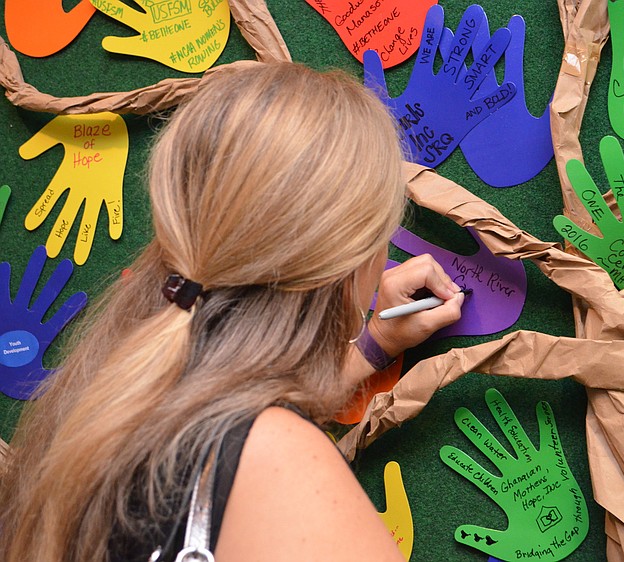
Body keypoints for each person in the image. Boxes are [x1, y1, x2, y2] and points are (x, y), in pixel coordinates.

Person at [0, 61, 465, 561]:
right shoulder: (279, 466)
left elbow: (225, 395)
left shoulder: (100, 388)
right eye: (383, 232)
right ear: (349, 263)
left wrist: (375, 345)